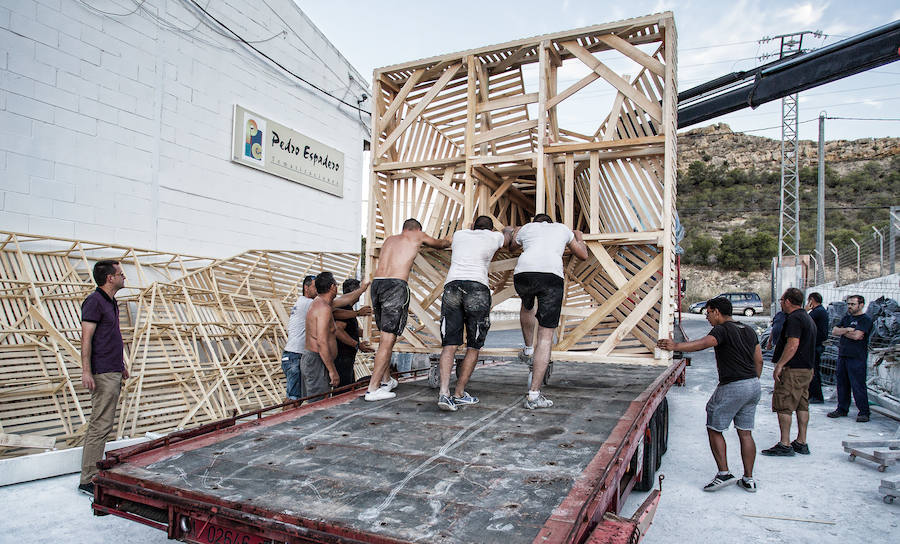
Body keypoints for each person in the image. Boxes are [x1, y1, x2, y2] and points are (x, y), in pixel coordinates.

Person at [657, 297, 762, 492]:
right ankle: (749, 479)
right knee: (745, 432)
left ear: (716, 311)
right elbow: (759, 360)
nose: (707, 318)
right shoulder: (748, 330)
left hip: (733, 385)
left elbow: (704, 343)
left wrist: (675, 346)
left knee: (714, 427)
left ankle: (724, 474)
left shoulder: (721, 330)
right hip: (753, 385)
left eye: (708, 313)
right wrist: (752, 381)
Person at [366, 218, 450, 401]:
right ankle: (372, 389)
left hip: (377, 285)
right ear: (418, 229)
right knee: (388, 340)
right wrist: (451, 238)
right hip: (395, 286)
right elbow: (441, 244)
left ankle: (386, 381)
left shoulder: (390, 239)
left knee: (383, 337)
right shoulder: (418, 236)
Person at [509, 214, 588, 409]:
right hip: (551, 276)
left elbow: (511, 247)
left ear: (535, 221)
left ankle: (528, 349)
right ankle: (534, 395)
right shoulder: (562, 229)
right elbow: (583, 255)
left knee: (527, 305)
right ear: (550, 223)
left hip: (523, 273)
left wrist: (516, 232)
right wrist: (579, 237)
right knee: (545, 335)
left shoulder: (527, 228)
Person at [436, 215, 510, 412]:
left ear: (472, 226)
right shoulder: (494, 237)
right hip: (477, 287)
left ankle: (444, 393)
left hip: (452, 286)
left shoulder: (459, 234)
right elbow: (509, 240)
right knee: (474, 344)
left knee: (449, 343)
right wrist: (507, 231)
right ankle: (459, 393)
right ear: (490, 229)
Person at [78, 260, 129, 496]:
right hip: (102, 373)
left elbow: (111, 337)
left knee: (104, 424)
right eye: (120, 274)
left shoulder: (111, 302)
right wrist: (86, 371)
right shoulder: (94, 301)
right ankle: (87, 479)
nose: (124, 277)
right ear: (110, 278)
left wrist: (121, 365)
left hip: (113, 369)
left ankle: (92, 473)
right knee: (99, 425)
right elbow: (86, 339)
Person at [284, 275, 370, 401]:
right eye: (336, 284)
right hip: (316, 360)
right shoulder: (322, 308)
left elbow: (345, 299)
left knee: (322, 401)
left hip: (319, 360)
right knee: (317, 404)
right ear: (332, 287)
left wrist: (362, 289)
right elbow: (321, 342)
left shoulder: (323, 304)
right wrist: (332, 370)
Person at [762, 287, 816, 457]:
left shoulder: (794, 319)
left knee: (784, 405)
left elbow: (793, 344)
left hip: (793, 369)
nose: (781, 304)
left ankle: (785, 444)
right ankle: (801, 441)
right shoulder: (807, 318)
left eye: (781, 301)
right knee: (802, 404)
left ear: (787, 301)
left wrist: (780, 365)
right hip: (806, 368)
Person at [827, 294, 873, 422]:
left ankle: (864, 412)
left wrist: (844, 332)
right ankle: (842, 408)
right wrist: (848, 330)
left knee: (858, 385)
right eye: (848, 304)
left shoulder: (865, 320)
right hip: (843, 355)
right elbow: (835, 331)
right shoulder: (846, 318)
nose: (850, 306)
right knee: (842, 384)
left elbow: (857, 336)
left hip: (857, 357)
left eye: (853, 304)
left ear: (861, 305)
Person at [282, 275, 316, 400]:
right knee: (293, 400)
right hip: (295, 356)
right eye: (315, 286)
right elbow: (331, 306)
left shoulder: (302, 302)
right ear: (306, 288)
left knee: (296, 398)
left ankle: (284, 418)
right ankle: (284, 419)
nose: (318, 290)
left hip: (292, 355)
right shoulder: (308, 303)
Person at [334, 278, 374, 388]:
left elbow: (352, 330)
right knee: (343, 391)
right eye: (360, 291)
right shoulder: (344, 308)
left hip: (347, 358)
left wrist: (371, 334)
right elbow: (337, 330)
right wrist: (357, 344)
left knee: (348, 387)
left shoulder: (349, 309)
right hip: (342, 357)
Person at [806, 292, 828, 403]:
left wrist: (805, 310)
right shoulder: (820, 311)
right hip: (815, 345)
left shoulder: (817, 312)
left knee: (813, 372)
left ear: (812, 300)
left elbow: (804, 320)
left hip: (815, 346)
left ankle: (816, 396)